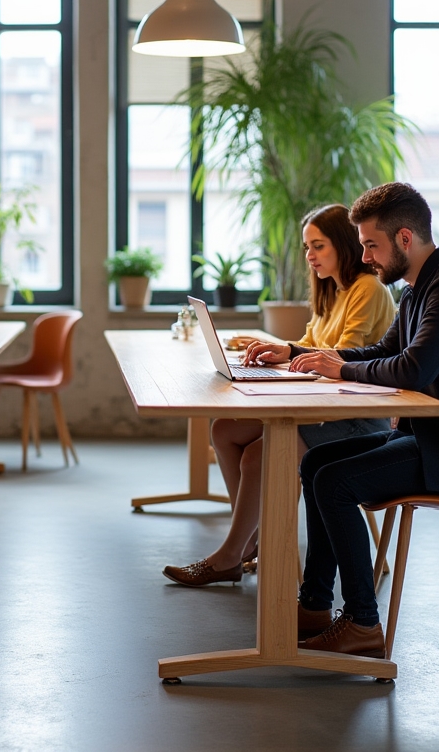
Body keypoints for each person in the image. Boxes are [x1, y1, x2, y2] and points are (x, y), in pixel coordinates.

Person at [285, 182, 439, 657]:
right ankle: (314, 605)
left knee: (333, 482)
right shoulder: (420, 288)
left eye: (371, 244)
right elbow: (382, 352)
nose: (366, 256)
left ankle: (362, 624)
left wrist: (341, 368)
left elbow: (414, 368)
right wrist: (301, 354)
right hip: (437, 440)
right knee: (316, 466)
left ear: (405, 239)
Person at [163, 204, 396, 586]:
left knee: (260, 453)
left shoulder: (366, 289)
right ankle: (251, 539)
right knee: (225, 429)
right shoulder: (331, 291)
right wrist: (274, 352)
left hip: (357, 418)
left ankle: (230, 555)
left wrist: (290, 358)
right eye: (307, 247)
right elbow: (308, 345)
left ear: (342, 244)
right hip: (324, 406)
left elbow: (339, 357)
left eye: (318, 246)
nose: (310, 255)